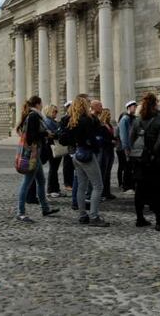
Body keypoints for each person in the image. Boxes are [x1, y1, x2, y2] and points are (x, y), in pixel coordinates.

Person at [130, 93, 160, 231]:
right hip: (157, 161)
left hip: (139, 160)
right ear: (155, 103)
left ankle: (140, 218)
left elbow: (132, 139)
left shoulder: (137, 120)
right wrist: (152, 154)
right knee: (159, 191)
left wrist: (139, 154)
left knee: (140, 190)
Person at [67, 95, 110, 227]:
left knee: (81, 186)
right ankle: (94, 216)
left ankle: (82, 215)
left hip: (77, 154)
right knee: (98, 186)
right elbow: (93, 138)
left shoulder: (73, 120)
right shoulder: (86, 120)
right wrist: (98, 144)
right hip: (86, 155)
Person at [15, 96, 60, 222]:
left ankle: (45, 208)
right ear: (38, 104)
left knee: (41, 180)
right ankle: (20, 212)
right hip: (32, 155)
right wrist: (46, 134)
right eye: (41, 103)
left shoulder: (33, 115)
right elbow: (31, 136)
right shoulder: (34, 116)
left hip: (36, 155)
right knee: (26, 183)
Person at [43, 104, 64, 198]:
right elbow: (54, 134)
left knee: (54, 169)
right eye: (54, 111)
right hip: (52, 147)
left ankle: (55, 189)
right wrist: (60, 131)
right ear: (49, 111)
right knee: (53, 169)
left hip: (54, 146)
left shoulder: (52, 121)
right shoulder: (48, 121)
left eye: (57, 111)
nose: (56, 113)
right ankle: (51, 190)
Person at [117, 100, 137, 192]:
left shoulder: (133, 118)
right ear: (129, 107)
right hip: (126, 147)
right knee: (127, 167)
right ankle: (126, 186)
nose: (135, 108)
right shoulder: (124, 119)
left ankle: (131, 185)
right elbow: (123, 135)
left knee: (131, 166)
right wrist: (126, 148)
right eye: (134, 106)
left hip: (132, 147)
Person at [98, 108, 117, 200]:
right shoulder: (101, 126)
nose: (110, 116)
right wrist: (111, 141)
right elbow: (101, 139)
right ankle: (102, 193)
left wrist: (115, 140)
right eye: (108, 114)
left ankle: (107, 192)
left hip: (110, 150)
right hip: (104, 150)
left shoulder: (109, 125)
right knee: (103, 172)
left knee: (108, 172)